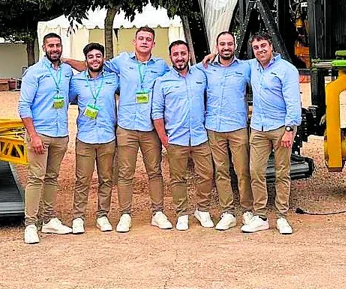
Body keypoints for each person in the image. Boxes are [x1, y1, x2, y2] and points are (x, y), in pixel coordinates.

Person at [66, 25, 172, 231]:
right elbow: (93, 64)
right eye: (140, 38)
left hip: (150, 127)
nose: (144, 42)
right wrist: (66, 61)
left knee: (155, 171)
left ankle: (158, 212)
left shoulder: (161, 66)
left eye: (148, 39)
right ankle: (125, 214)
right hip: (126, 128)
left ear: (153, 43)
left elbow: (180, 72)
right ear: (134, 42)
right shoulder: (121, 62)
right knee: (125, 174)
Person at [152, 40, 223, 230]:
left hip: (200, 137)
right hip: (176, 138)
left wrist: (213, 54)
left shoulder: (200, 75)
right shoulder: (162, 81)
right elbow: (157, 113)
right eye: (176, 54)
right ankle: (182, 213)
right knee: (178, 178)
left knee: (206, 174)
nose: (180, 58)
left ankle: (203, 209)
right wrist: (164, 140)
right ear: (171, 57)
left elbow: (212, 67)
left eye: (183, 53)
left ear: (189, 55)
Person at [17, 32, 75, 245]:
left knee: (52, 178)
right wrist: (33, 136)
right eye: (51, 45)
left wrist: (68, 60)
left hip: (60, 134)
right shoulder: (34, 72)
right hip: (40, 133)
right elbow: (23, 106)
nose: (55, 49)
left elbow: (85, 72)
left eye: (58, 45)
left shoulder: (67, 71)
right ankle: (30, 223)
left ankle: (49, 219)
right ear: (44, 48)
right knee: (35, 178)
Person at [243, 33, 302, 235]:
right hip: (258, 128)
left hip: (280, 128)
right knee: (256, 172)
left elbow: (294, 102)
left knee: (282, 172)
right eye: (256, 47)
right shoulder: (251, 66)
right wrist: (213, 54)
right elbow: (227, 62)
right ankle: (260, 216)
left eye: (263, 46)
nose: (260, 50)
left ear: (271, 47)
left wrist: (289, 130)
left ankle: (282, 216)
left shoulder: (286, 70)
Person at [202, 30, 253, 231]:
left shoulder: (246, 67)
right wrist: (207, 58)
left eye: (229, 44)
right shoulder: (206, 68)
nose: (226, 47)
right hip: (214, 127)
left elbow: (268, 64)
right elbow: (185, 69)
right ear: (217, 47)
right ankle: (228, 212)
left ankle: (247, 210)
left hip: (237, 127)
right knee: (221, 171)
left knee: (242, 170)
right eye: (222, 44)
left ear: (234, 46)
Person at [68, 42, 120, 233]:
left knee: (106, 179)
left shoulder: (113, 79)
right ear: (86, 60)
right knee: (82, 180)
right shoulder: (76, 81)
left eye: (98, 56)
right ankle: (78, 217)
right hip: (85, 138)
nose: (95, 60)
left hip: (107, 137)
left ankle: (102, 215)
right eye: (91, 57)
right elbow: (71, 99)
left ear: (103, 59)